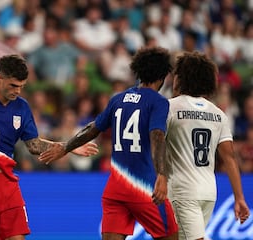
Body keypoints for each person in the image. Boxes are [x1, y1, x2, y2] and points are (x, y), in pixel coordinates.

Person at [0, 54, 98, 240]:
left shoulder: (22, 107)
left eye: (22, 86)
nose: (18, 91)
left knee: (17, 236)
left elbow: (34, 145)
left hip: (8, 183)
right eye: (13, 85)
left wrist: (68, 146)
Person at [39, 47, 178, 240]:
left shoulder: (118, 99)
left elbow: (93, 128)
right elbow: (157, 136)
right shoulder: (159, 102)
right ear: (162, 76)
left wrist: (66, 147)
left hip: (116, 189)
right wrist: (162, 175)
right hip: (145, 188)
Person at [165, 51, 250, 240]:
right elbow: (229, 157)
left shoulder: (170, 107)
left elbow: (154, 142)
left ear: (182, 77)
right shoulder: (218, 114)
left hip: (183, 191)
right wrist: (239, 198)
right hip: (208, 192)